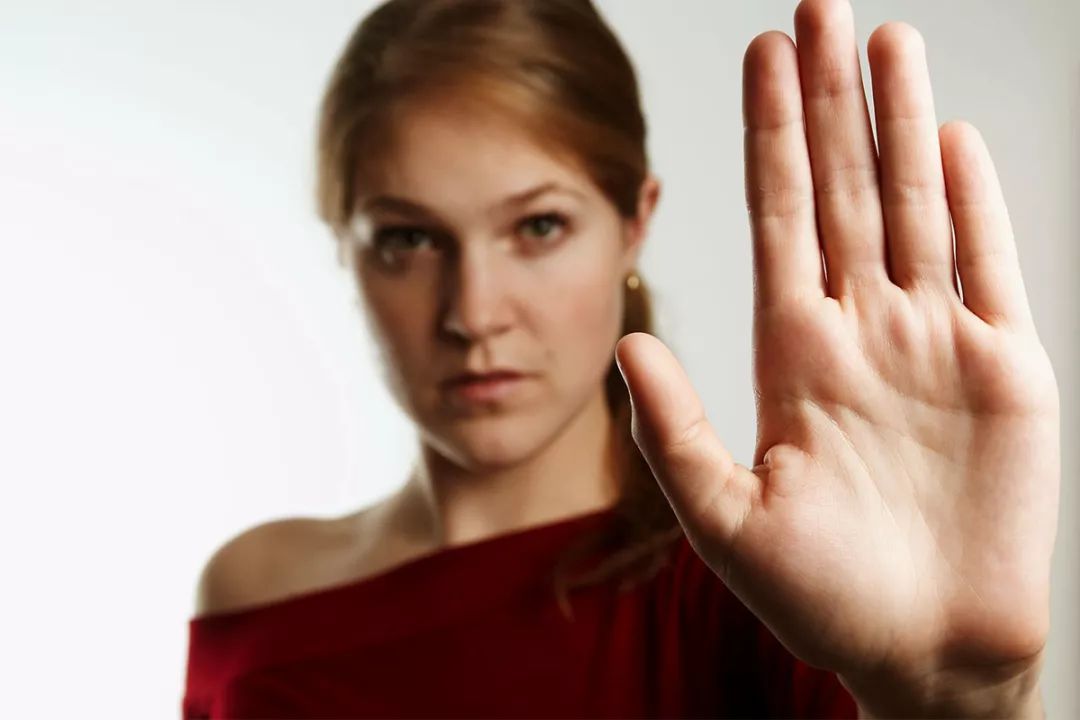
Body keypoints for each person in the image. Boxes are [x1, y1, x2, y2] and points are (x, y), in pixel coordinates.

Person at [183, 0, 1061, 717]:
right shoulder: (253, 595)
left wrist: (962, 698)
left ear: (635, 221)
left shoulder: (777, 585)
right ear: (342, 243)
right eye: (408, 239)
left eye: (539, 226)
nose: (473, 314)